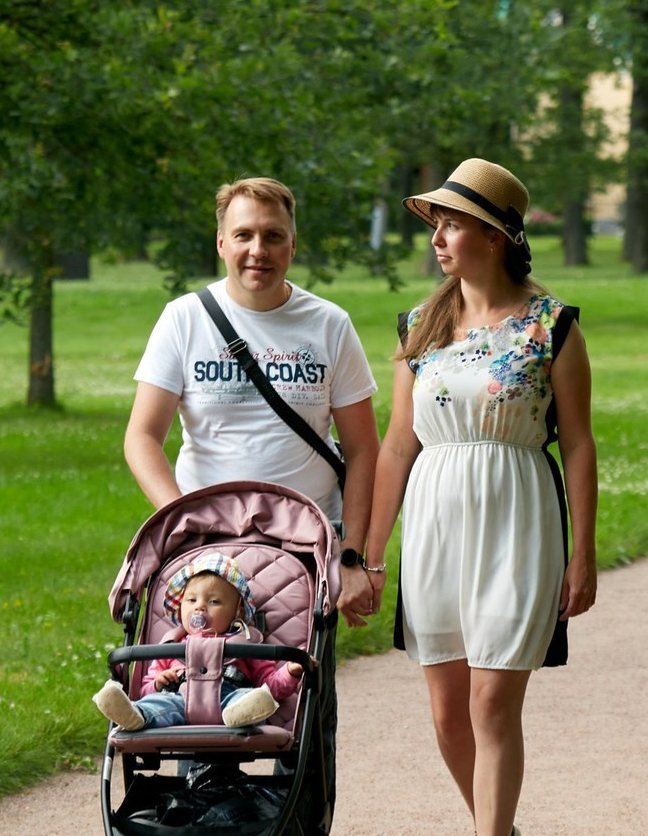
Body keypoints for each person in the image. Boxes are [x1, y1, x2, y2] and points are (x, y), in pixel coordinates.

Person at [122, 177, 379, 828]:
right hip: (200, 557)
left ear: (293, 244)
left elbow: (365, 451)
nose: (257, 249)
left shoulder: (328, 325)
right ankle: (185, 818)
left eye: (272, 235)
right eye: (243, 235)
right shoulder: (185, 320)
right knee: (186, 686)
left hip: (301, 554)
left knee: (297, 708)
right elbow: (142, 438)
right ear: (220, 243)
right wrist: (180, 521)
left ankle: (294, 823)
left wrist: (354, 558)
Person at [362, 158, 598, 836]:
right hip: (436, 521)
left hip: (519, 516)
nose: (437, 239)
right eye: (436, 225)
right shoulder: (420, 327)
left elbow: (578, 444)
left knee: (492, 703)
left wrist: (584, 553)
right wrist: (370, 554)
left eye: (452, 225)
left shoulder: (553, 326)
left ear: (494, 235)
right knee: (447, 710)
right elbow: (397, 446)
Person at [93, 552, 303, 731]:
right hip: (179, 700)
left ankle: (243, 715)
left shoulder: (246, 643)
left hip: (229, 700)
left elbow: (270, 684)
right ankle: (136, 715)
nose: (199, 607)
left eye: (214, 602)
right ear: (180, 606)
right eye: (191, 600)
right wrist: (158, 683)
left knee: (251, 697)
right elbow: (144, 689)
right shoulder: (172, 646)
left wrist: (291, 671)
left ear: (237, 611)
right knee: (157, 703)